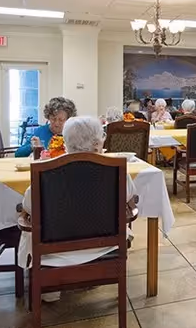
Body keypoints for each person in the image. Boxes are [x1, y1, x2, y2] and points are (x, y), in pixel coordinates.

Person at [17, 116, 138, 301]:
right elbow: (130, 198)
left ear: (65, 142)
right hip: (104, 245)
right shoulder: (115, 169)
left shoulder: (46, 172)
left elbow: (28, 206)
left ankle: (51, 287)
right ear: (98, 142)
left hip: (54, 250)